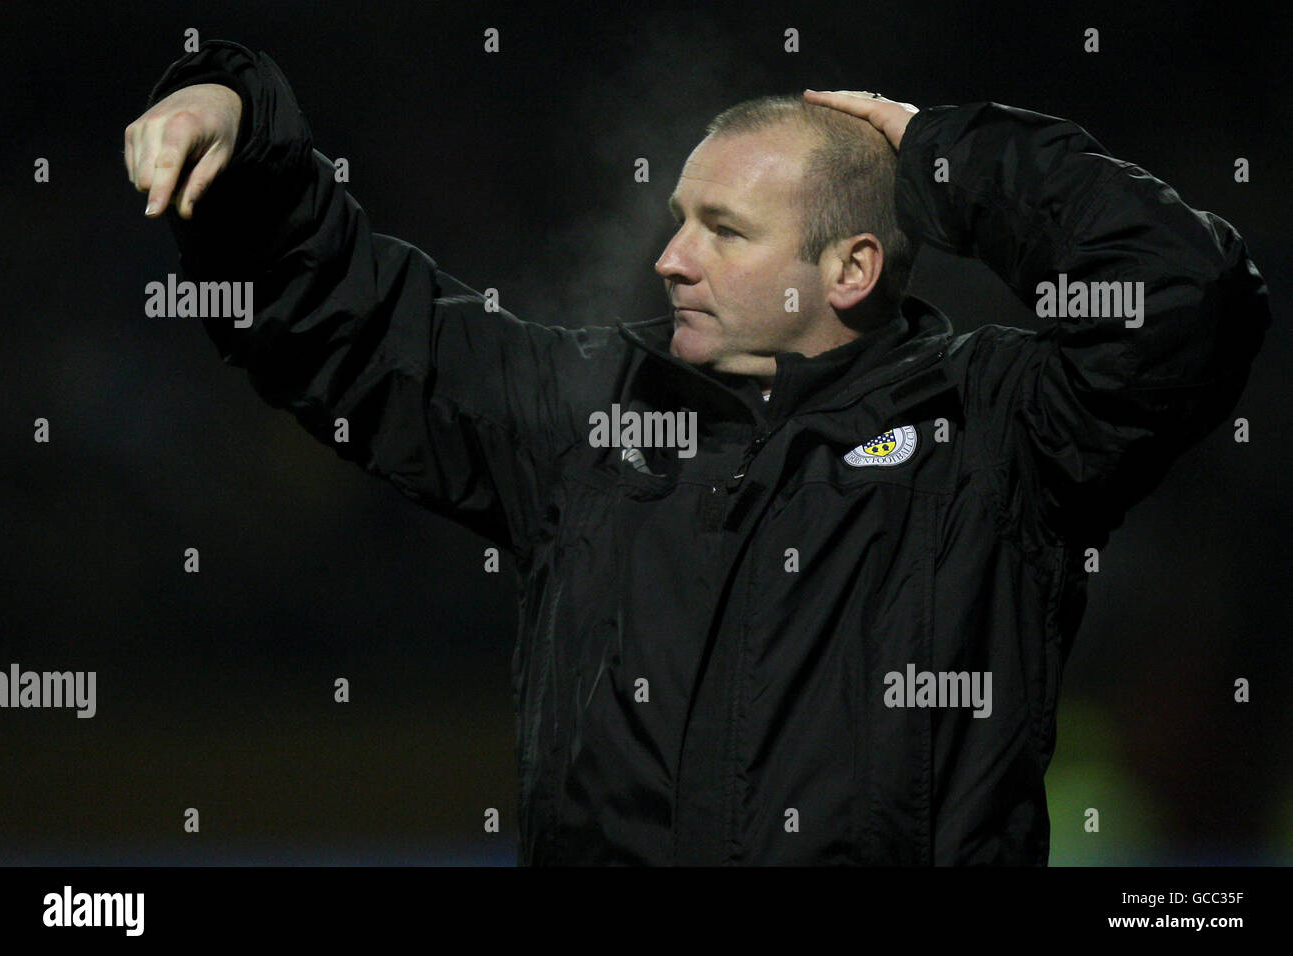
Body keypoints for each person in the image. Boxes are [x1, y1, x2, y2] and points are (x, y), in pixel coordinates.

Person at [124, 40, 1271, 865]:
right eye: (678, 217)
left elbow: (1184, 299)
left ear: (850, 270)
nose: (670, 258)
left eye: (722, 229)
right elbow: (356, 324)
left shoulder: (997, 432)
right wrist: (239, 133)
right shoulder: (588, 416)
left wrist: (942, 155)